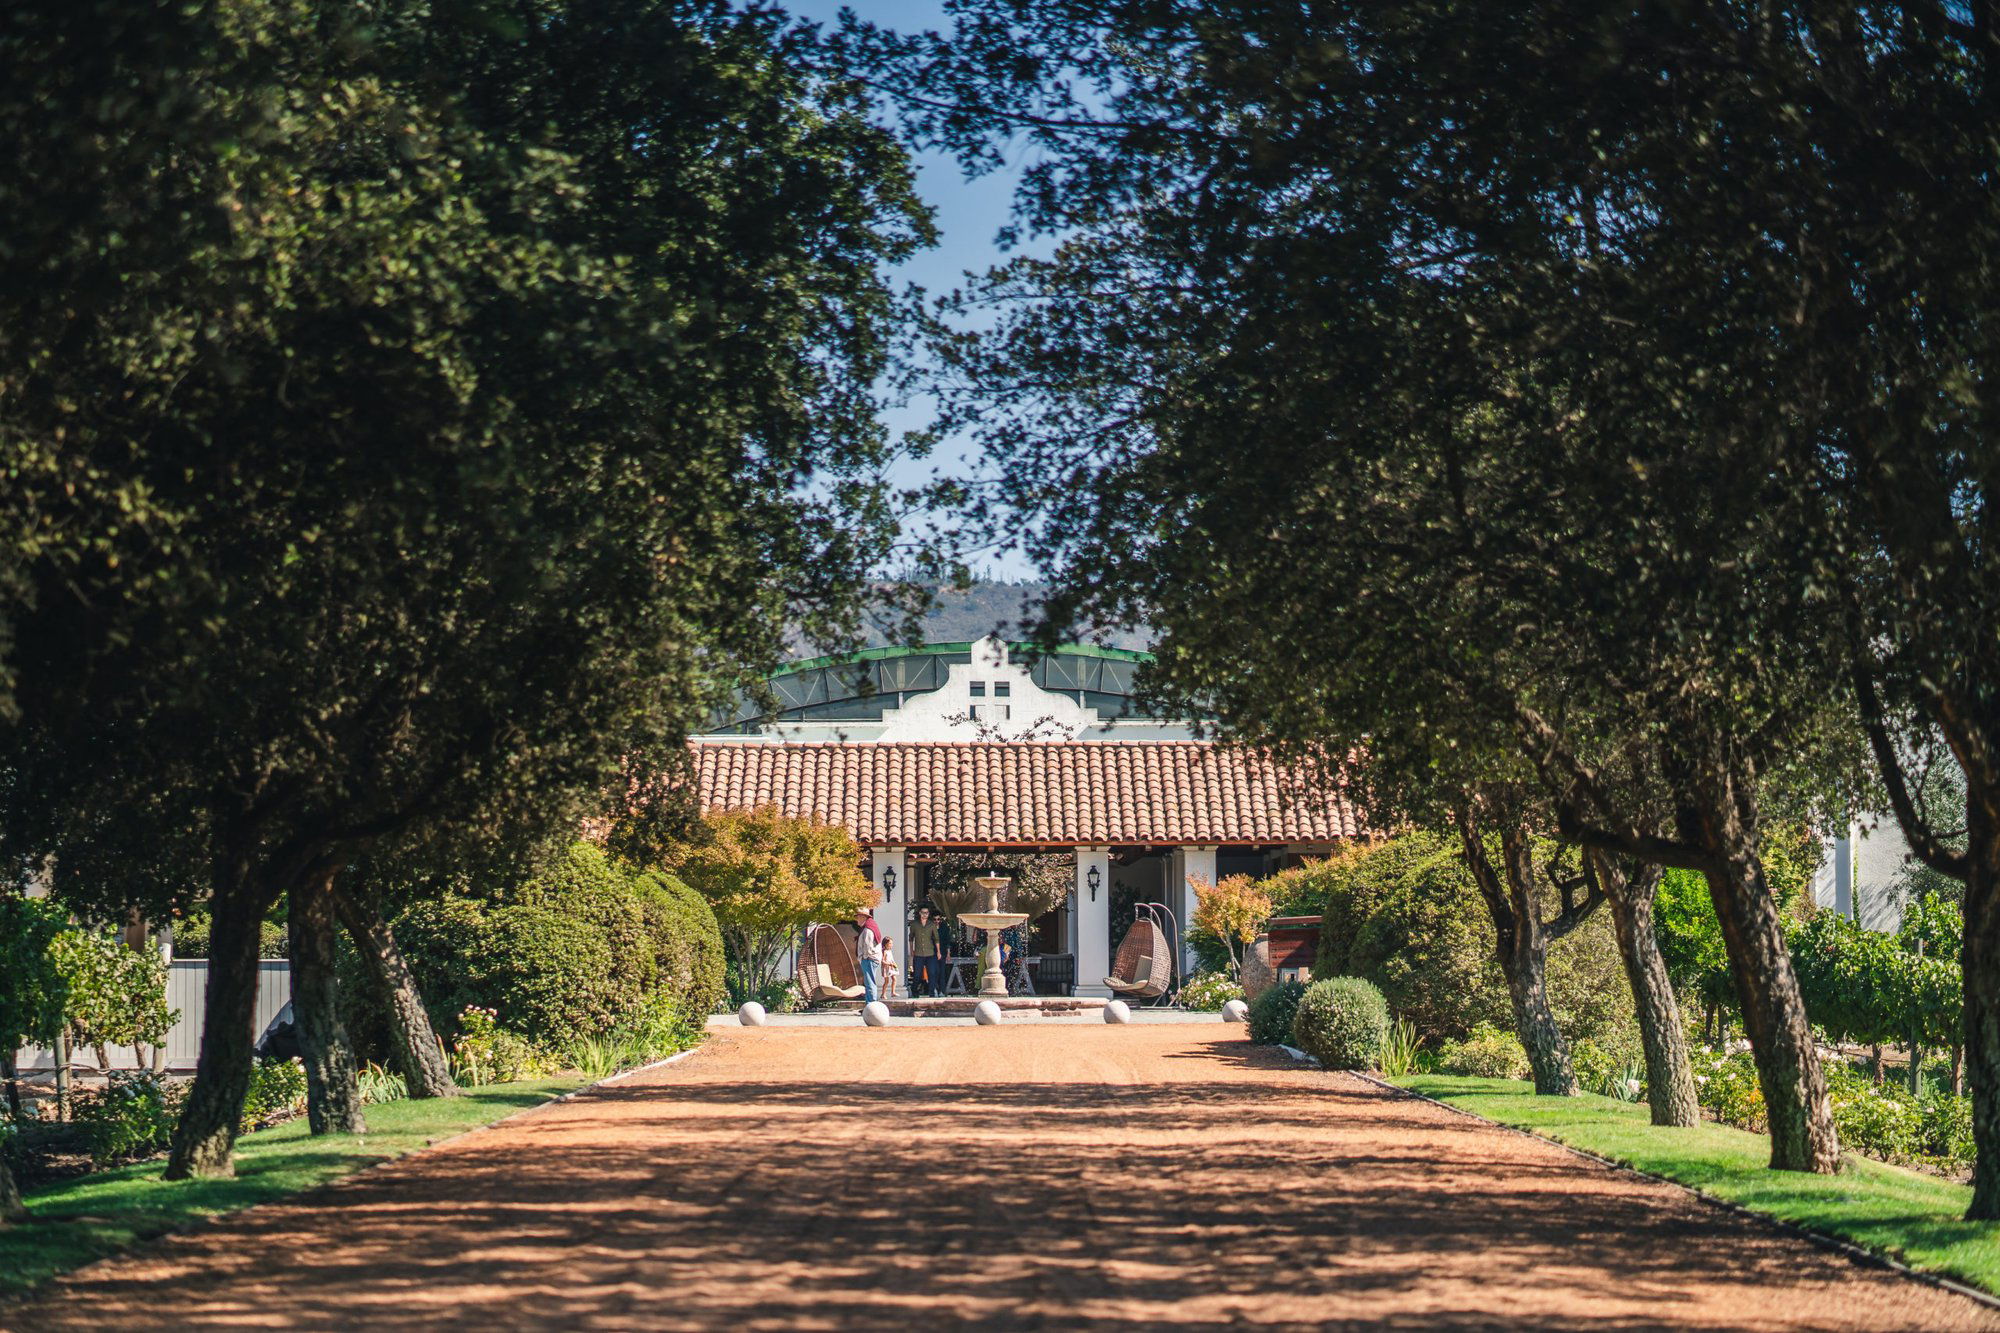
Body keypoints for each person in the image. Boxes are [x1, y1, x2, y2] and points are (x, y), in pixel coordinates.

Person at [910, 903, 945, 997]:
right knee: (917, 974)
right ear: (920, 913)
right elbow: (911, 938)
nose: (925, 914)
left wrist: (938, 952)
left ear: (928, 914)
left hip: (930, 953)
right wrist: (911, 950)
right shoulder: (914, 924)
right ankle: (914, 992)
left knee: (932, 973)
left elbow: (936, 939)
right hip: (918, 953)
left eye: (926, 913)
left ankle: (931, 993)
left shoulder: (931, 925)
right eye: (923, 912)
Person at [853, 906, 884, 1004]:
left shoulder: (867, 929)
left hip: (869, 959)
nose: (856, 919)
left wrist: (863, 958)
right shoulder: (869, 927)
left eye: (858, 917)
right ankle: (869, 1005)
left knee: (869, 982)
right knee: (869, 982)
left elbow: (868, 946)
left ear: (863, 917)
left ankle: (871, 1004)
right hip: (871, 959)